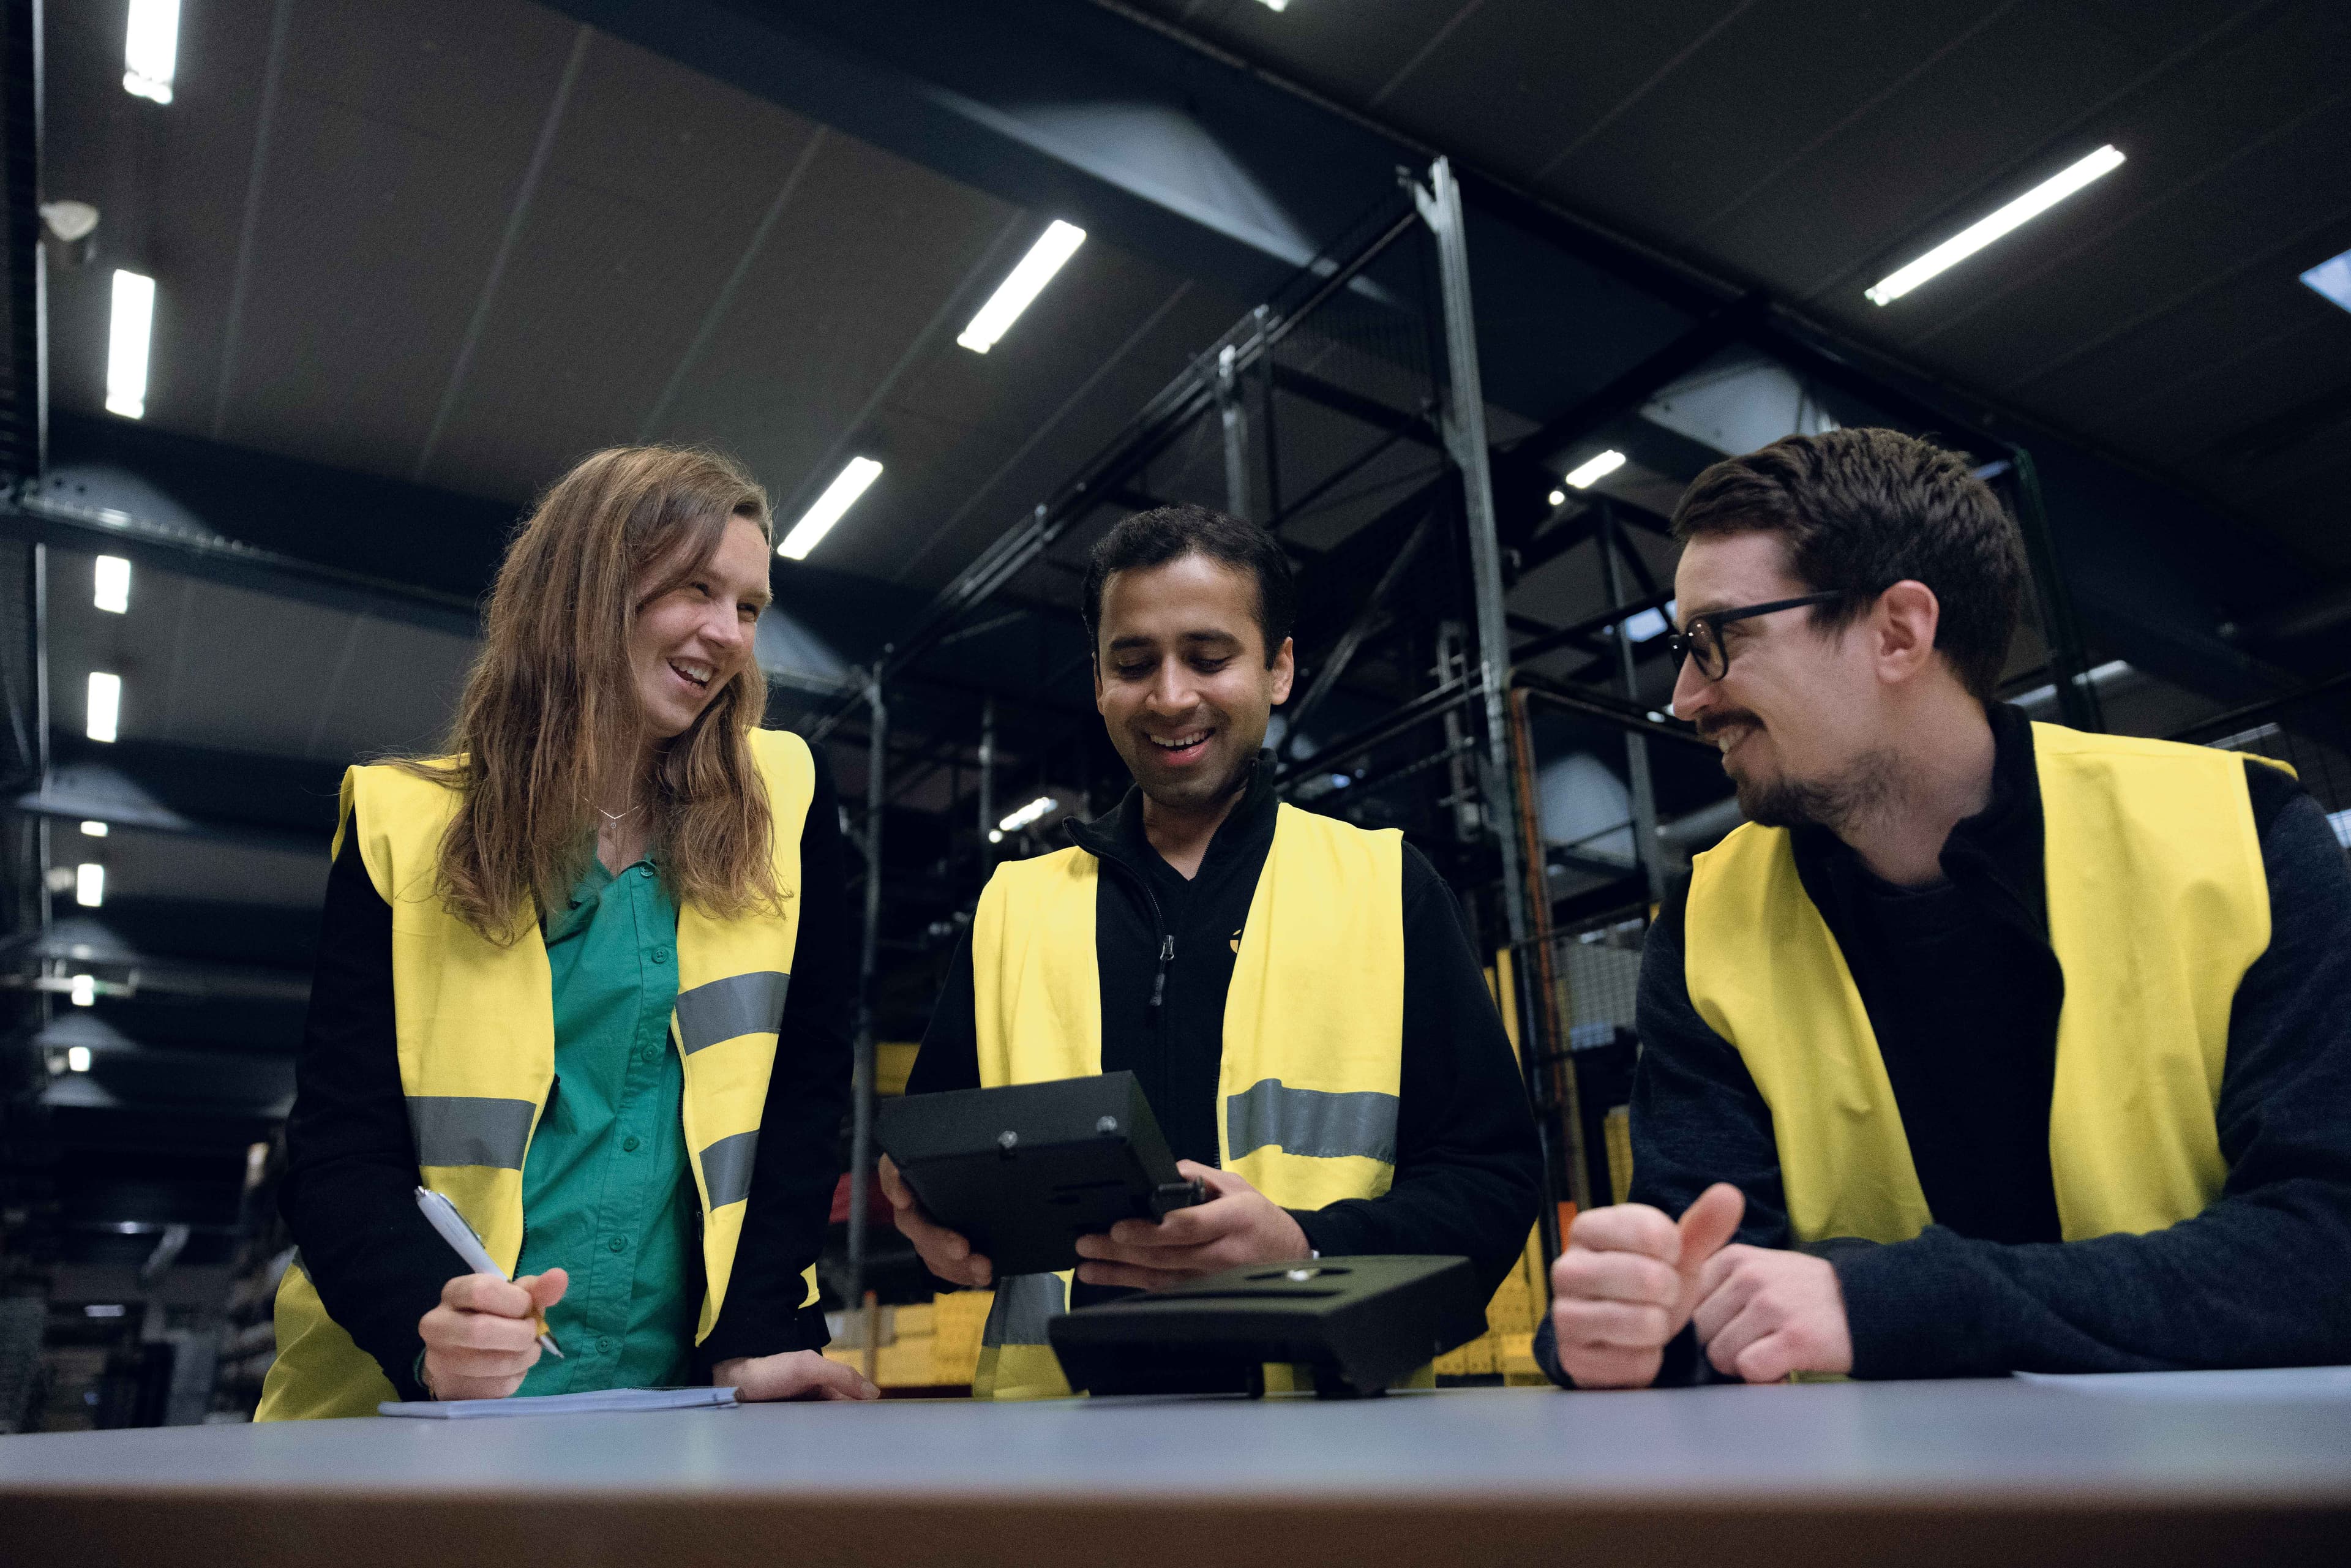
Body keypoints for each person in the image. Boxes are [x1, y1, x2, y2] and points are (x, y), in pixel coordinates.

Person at [1540, 428, 2351, 1389]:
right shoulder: (1709, 922)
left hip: (2230, 1503)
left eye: (1717, 639)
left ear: (1897, 632)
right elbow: (1702, 1280)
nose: (1683, 696)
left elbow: (2328, 1243)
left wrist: (1894, 1302)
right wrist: (1622, 1323)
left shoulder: (2241, 839)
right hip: (1887, 1515)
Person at [258, 446, 877, 1417]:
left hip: (670, 1401)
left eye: (750, 607)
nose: (727, 635)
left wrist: (757, 1327)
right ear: (587, 590)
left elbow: (801, 1099)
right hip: (414, 1401)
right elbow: (339, 1150)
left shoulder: (785, 797)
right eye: (694, 589)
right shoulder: (400, 823)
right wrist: (426, 1318)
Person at [885, 504, 1545, 1398]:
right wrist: (929, 1223)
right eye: (1133, 663)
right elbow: (936, 1169)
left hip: (1326, 1445)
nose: (1169, 696)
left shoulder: (1385, 886)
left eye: (1209, 657)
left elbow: (1494, 1184)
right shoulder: (1013, 908)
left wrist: (1307, 1246)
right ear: (1098, 681)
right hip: (1056, 1455)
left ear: (1278, 668)